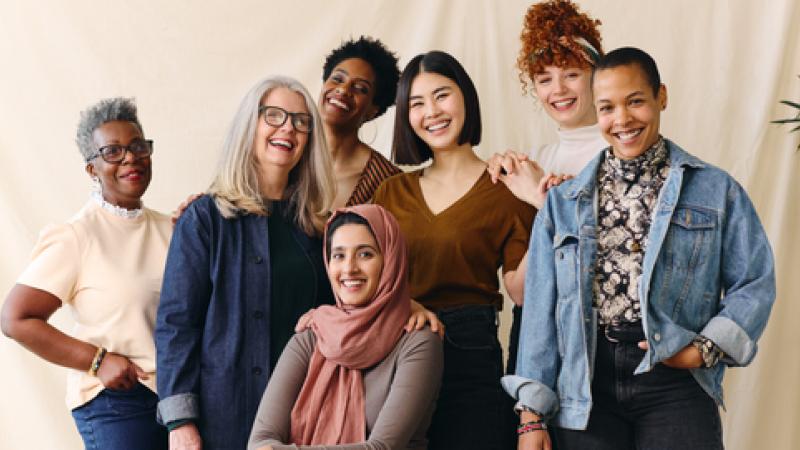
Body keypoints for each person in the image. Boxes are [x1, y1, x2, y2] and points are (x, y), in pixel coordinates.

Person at [502, 47, 776, 450]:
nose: (622, 120)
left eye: (635, 102)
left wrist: (703, 350)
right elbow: (541, 311)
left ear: (660, 97)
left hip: (674, 384)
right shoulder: (565, 201)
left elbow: (754, 282)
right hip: (586, 382)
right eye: (607, 108)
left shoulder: (716, 190)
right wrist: (531, 416)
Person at [155, 76, 336, 450]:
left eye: (301, 121)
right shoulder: (204, 219)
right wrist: (180, 422)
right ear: (248, 126)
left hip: (304, 415)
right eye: (274, 115)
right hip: (222, 417)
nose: (288, 127)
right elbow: (177, 325)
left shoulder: (321, 228)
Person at [373, 50, 536, 450]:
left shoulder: (506, 188)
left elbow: (521, 291)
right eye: (416, 103)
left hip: (471, 352)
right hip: (397, 350)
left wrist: (546, 210)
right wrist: (404, 304)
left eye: (442, 95)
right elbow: (365, 280)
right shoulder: (391, 192)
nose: (432, 111)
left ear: (465, 97)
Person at [1, 98, 170, 449]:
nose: (130, 158)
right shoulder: (77, 236)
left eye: (138, 146)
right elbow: (16, 318)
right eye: (112, 151)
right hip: (118, 403)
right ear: (92, 170)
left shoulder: (173, 228)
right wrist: (98, 361)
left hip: (176, 399)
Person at [248, 204, 443, 450]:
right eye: (338, 255)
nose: (349, 268)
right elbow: (260, 439)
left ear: (391, 260)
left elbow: (382, 447)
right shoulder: (311, 335)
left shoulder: (419, 341)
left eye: (365, 254)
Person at [488, 0, 608, 389]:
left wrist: (546, 202)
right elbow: (522, 291)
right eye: (544, 78)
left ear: (596, 75)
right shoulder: (538, 161)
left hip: (607, 338)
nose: (558, 90)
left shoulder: (623, 150)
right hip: (544, 337)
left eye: (571, 74)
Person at [319, 36, 403, 209]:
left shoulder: (387, 182)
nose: (343, 90)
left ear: (374, 109)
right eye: (338, 79)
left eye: (360, 88)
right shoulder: (288, 153)